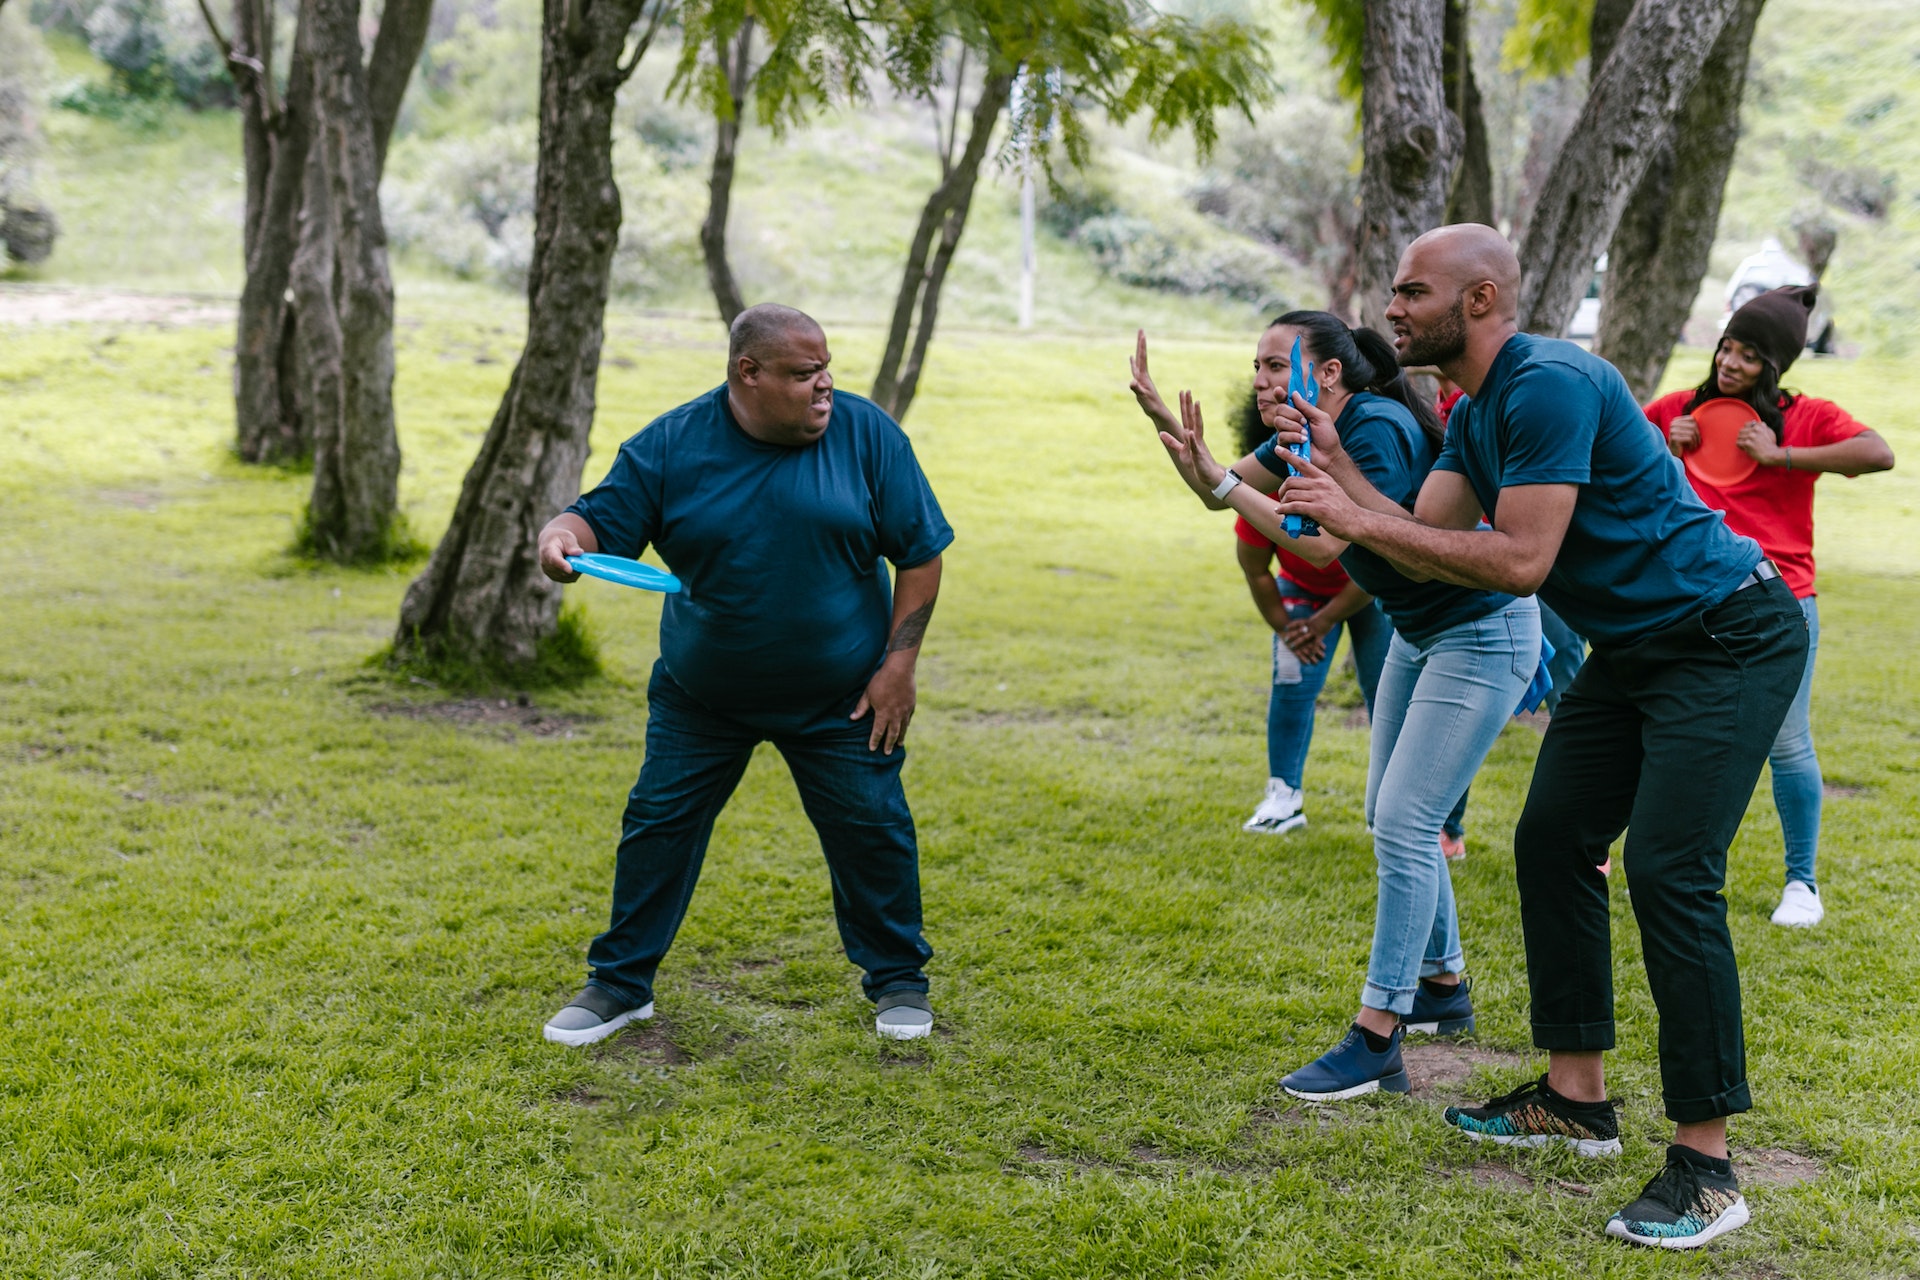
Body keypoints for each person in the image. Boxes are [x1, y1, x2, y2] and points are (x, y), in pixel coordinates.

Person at [1269, 225, 1808, 1249]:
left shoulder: (1548, 382)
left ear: (1480, 300)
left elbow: (1517, 561)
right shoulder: (1474, 418)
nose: (1391, 308)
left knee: (1669, 867)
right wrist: (1341, 473)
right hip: (1640, 647)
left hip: (1727, 633)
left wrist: (1361, 514)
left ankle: (1707, 1167)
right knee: (1553, 836)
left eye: (1411, 290)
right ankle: (1577, 1099)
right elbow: (1418, 547)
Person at [1131, 310, 1541, 1103]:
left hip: (1481, 632)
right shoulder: (1299, 429)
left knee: (1405, 821)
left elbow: (1325, 543)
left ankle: (1378, 1035)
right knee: (1389, 812)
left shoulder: (1374, 427)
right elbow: (1225, 495)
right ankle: (1443, 984)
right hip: (1425, 634)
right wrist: (1190, 454)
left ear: (1326, 373)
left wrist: (1218, 480)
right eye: (1255, 364)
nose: (1261, 379)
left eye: (1276, 363)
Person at [535, 304, 954, 1046]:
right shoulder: (673, 444)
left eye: (827, 369)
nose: (823, 386)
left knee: (872, 830)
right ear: (747, 373)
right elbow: (596, 520)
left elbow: (920, 554)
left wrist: (899, 665)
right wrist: (561, 539)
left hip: (843, 698)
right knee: (657, 826)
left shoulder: (868, 436)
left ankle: (898, 982)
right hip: (705, 697)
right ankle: (620, 986)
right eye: (802, 374)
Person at [1645, 285, 1895, 928]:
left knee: (1786, 742)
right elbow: (1615, 467)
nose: (1730, 363)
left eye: (1749, 355)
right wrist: (1665, 449)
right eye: (1727, 347)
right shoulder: (1679, 412)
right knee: (1669, 735)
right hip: (1688, 599)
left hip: (1782, 601)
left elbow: (1878, 453)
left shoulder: (1803, 416)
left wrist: (1781, 455)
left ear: (1774, 368)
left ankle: (1802, 885)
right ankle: (1664, 865)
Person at [1229, 389, 1393, 836]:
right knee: (1291, 681)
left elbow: (1369, 570)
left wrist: (1322, 622)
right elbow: (1257, 572)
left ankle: (1397, 811)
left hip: (1370, 593)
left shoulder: (1354, 485)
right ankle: (1283, 798)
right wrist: (1288, 629)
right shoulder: (1261, 503)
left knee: (1388, 694)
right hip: (1300, 594)